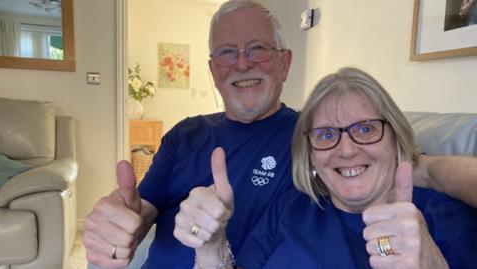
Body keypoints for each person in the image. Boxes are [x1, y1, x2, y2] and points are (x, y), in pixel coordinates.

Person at [84, 1, 477, 268]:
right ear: (212, 69)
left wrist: (424, 169)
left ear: (285, 63)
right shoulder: (184, 134)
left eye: (258, 48)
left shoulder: (313, 132)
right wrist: (116, 224)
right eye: (226, 53)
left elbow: (397, 166)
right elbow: (141, 213)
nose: (242, 63)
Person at [180, 67, 477, 269]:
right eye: (325, 135)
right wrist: (211, 248)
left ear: (396, 138)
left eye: (365, 129)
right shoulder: (290, 208)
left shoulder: (445, 218)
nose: (346, 150)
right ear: (309, 154)